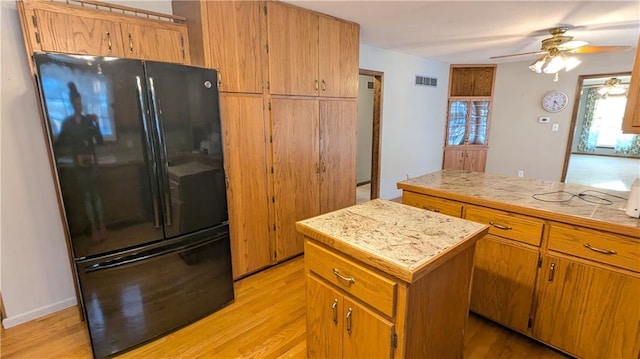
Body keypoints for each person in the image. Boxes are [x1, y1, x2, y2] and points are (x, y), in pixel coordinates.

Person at [57, 82, 107, 243]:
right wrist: (76, 153)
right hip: (79, 164)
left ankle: (102, 226)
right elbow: (61, 142)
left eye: (81, 103)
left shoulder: (89, 121)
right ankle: (93, 227)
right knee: (86, 196)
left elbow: (99, 141)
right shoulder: (68, 123)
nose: (80, 105)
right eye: (77, 103)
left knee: (96, 195)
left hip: (92, 163)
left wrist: (97, 122)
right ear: (72, 104)